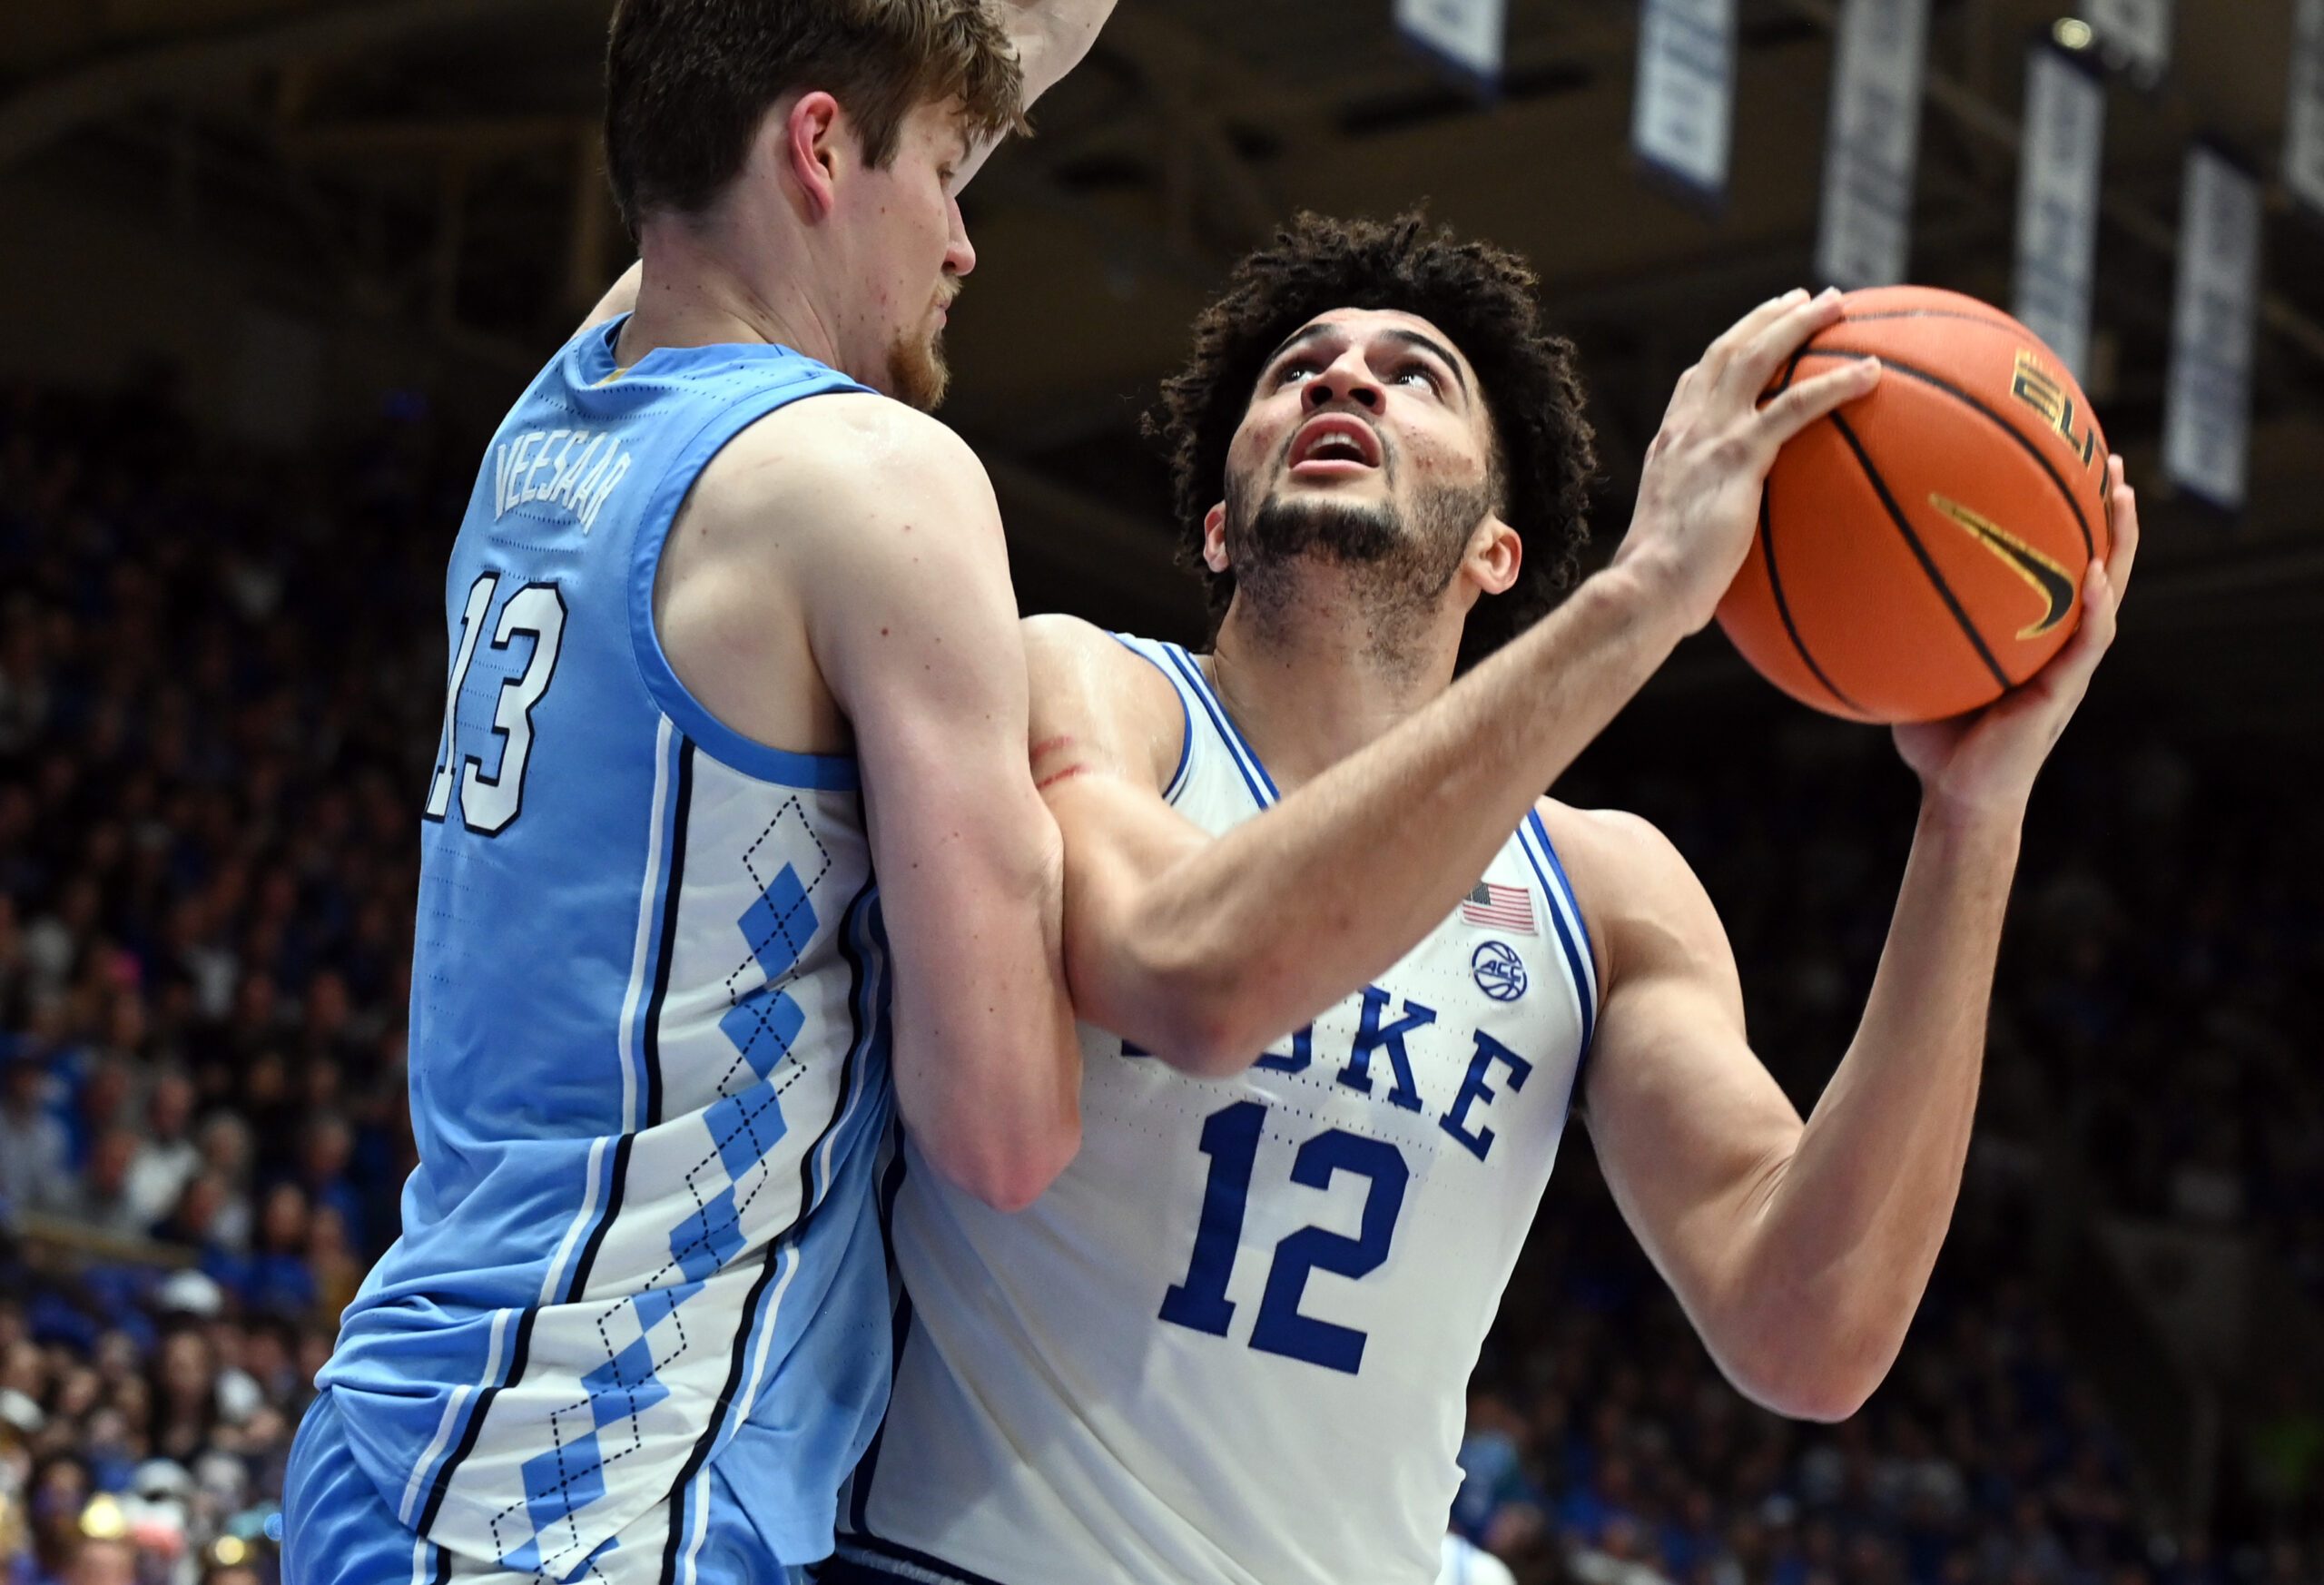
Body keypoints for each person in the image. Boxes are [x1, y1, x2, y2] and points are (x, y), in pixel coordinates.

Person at [832, 212, 2138, 1585]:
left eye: (1416, 374)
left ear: (1497, 552)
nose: (1343, 381)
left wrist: (1972, 816)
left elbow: (1809, 1330)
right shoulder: (1095, 693)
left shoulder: (1605, 889)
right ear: (1219, 528)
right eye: (1298, 370)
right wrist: (1643, 596)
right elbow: (1197, 970)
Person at [281, 3, 1113, 1582]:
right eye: (948, 176)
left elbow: (909, 62)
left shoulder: (565, 405)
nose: (966, 242)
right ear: (817, 149)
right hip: (593, 1488)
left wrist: (942, 90)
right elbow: (1005, 1130)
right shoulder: (875, 476)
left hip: (420, 1423)